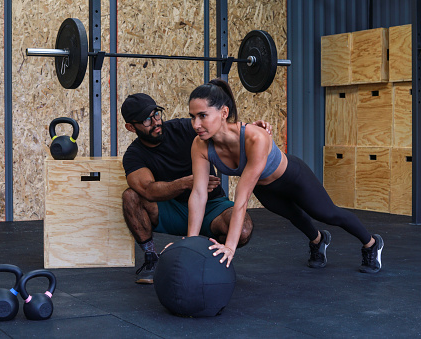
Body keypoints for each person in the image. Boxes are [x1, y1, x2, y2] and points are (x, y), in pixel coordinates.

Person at [187, 79, 384, 274]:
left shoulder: (255, 137)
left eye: (202, 115)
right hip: (264, 188)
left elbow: (241, 198)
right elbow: (198, 193)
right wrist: (191, 242)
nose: (196, 124)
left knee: (328, 214)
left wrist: (229, 247)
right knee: (294, 215)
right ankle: (318, 240)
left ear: (224, 112)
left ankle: (372, 243)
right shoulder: (200, 145)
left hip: (292, 178)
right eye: (192, 117)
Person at [121, 93, 272, 284]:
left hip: (211, 206)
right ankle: (152, 259)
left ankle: (212, 260)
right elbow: (148, 190)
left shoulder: (185, 128)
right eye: (146, 120)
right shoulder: (134, 155)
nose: (155, 122)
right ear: (131, 127)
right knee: (131, 196)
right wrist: (185, 183)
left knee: (242, 230)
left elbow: (219, 127)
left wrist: (249, 130)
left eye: (156, 114)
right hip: (172, 210)